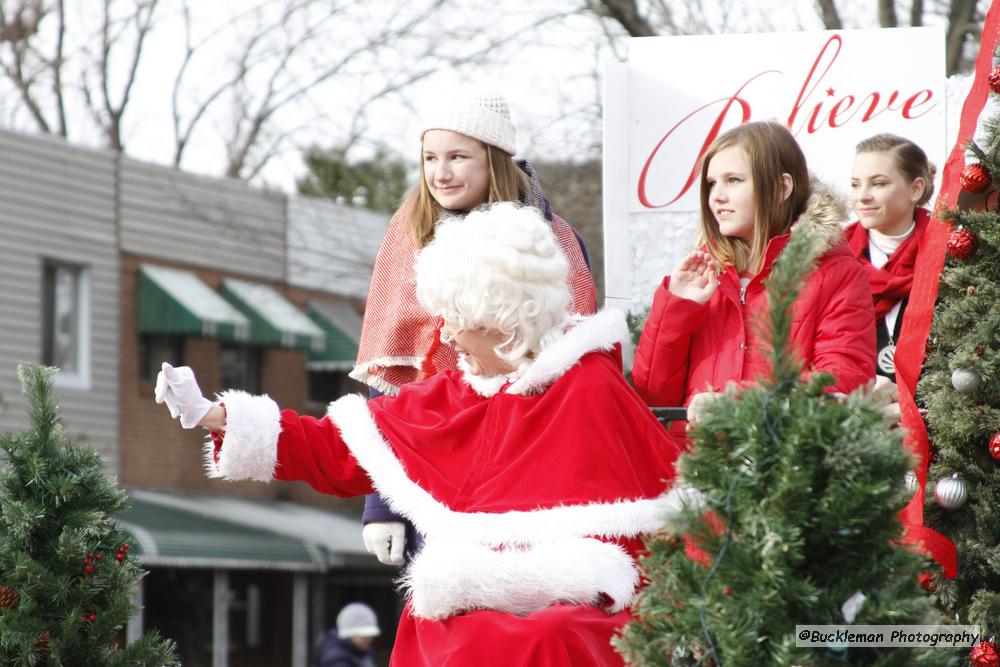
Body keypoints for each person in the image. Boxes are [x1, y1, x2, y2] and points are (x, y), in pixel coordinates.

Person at [155, 203, 692, 667]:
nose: (446, 334)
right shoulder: (444, 398)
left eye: (457, 317)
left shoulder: (590, 386)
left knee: (549, 636)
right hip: (470, 596)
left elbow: (669, 496)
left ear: (502, 317)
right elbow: (331, 447)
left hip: (582, 601)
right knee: (446, 628)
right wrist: (212, 415)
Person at [352, 87, 598, 566]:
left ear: (495, 159)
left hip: (536, 463)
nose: (440, 173)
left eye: (458, 156)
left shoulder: (559, 242)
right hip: (435, 466)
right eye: (430, 157)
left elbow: (584, 372)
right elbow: (391, 386)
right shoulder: (409, 239)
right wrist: (380, 503)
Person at [631, 121, 876, 433]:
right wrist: (676, 309)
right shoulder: (701, 275)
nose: (716, 196)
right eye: (711, 183)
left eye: (733, 180)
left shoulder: (834, 271)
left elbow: (843, 383)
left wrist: (736, 404)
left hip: (787, 470)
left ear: (781, 188)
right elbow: (652, 399)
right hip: (698, 469)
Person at [846, 134, 935, 391]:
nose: (862, 196)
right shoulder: (831, 259)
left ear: (915, 189)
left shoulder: (950, 256)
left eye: (878, 184)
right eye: (855, 185)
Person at [314, 602, 380, 667]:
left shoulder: (360, 653)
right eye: (365, 637)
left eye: (370, 636)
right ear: (350, 634)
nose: (370, 640)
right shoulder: (335, 659)